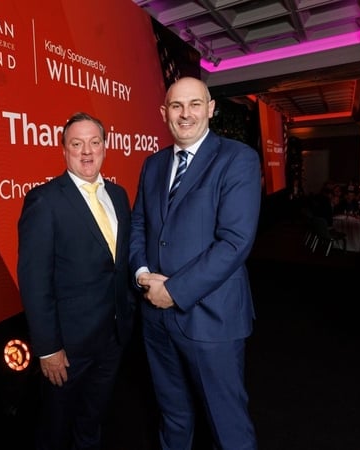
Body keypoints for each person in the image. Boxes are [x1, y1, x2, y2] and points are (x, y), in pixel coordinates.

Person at [129, 77, 261, 450]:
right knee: (173, 416)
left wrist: (173, 290)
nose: (185, 114)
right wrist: (141, 274)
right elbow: (140, 223)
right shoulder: (152, 164)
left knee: (227, 424)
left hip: (211, 319)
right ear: (164, 113)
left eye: (195, 104)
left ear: (211, 109)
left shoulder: (238, 159)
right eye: (176, 106)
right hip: (156, 317)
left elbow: (235, 243)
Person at [17, 112, 135, 450]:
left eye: (94, 142)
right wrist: (48, 348)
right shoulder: (45, 201)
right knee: (55, 428)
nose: (87, 151)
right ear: (64, 151)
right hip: (67, 349)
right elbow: (34, 281)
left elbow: (119, 266)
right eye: (77, 144)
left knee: (93, 421)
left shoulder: (118, 196)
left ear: (105, 147)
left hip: (112, 339)